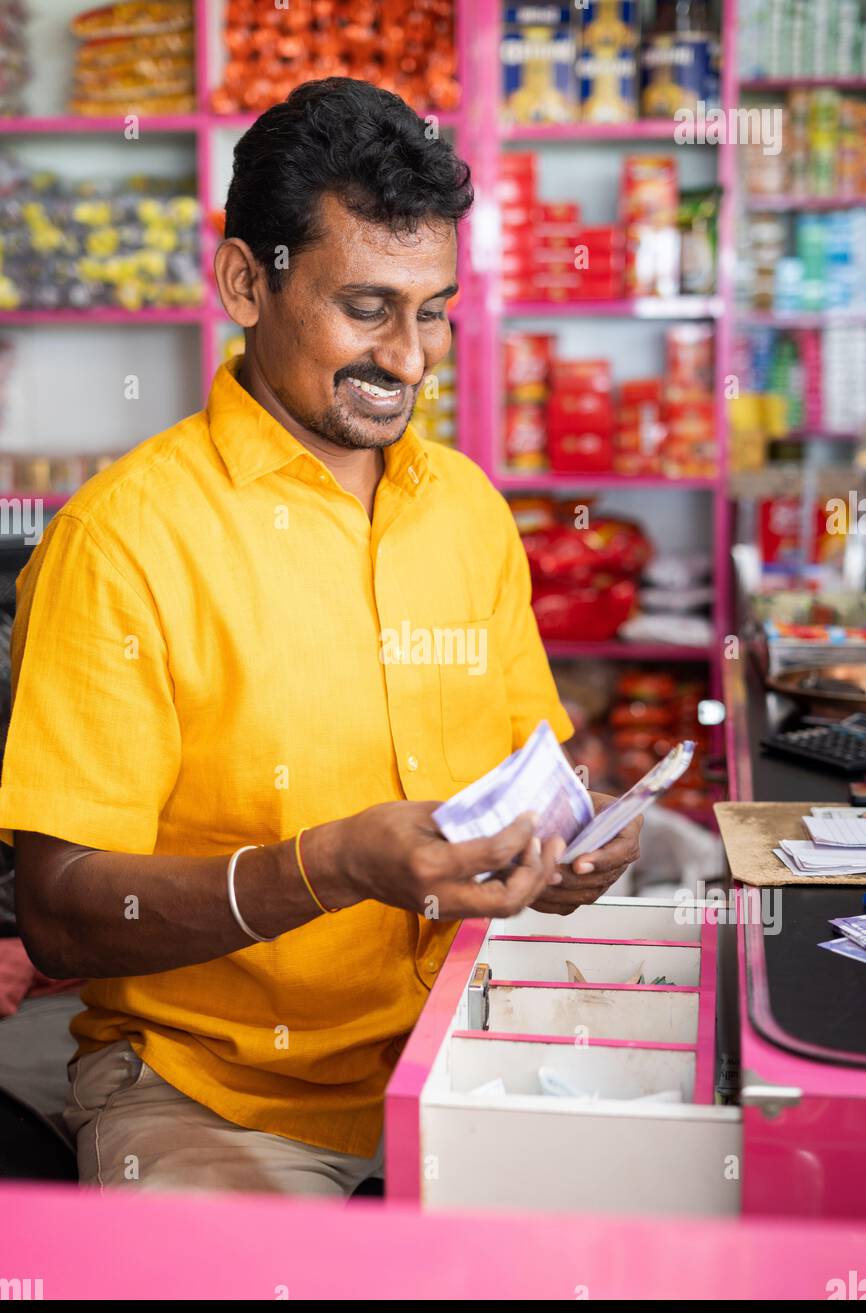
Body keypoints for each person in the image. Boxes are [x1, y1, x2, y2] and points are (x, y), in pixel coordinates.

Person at [0, 78, 641, 1199]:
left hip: (457, 1053)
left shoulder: (466, 511)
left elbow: (526, 772)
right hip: (212, 1096)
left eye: (431, 309)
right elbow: (59, 914)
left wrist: (565, 852)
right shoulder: (125, 540)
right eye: (366, 308)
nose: (409, 361)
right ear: (248, 280)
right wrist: (330, 868)